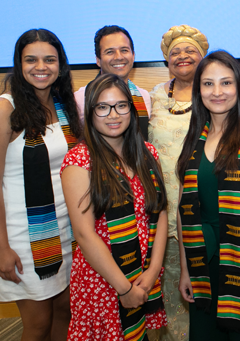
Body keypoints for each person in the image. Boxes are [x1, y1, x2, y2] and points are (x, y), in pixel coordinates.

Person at [0, 28, 81, 341]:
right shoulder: (4, 109)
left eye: (50, 59)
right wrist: (1, 247)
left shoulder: (64, 106)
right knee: (37, 324)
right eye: (31, 59)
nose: (41, 66)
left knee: (65, 312)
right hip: (25, 237)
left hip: (66, 231)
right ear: (19, 64)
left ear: (60, 65)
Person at [176, 51, 240, 340]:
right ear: (199, 91)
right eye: (208, 84)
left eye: (226, 83)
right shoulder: (194, 138)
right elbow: (183, 210)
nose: (217, 92)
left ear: (239, 88)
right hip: (203, 262)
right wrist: (186, 268)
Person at [61, 73, 168, 340]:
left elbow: (161, 211)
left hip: (143, 274)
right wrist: (124, 288)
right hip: (103, 281)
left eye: (121, 105)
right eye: (102, 107)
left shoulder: (147, 153)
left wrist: (153, 270)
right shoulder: (80, 161)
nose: (113, 114)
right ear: (90, 112)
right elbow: (85, 235)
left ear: (131, 110)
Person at [149, 24, 209, 341]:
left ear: (203, 57)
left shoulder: (214, 92)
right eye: (175, 52)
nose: (182, 56)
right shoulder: (156, 96)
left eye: (190, 51)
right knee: (169, 284)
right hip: (162, 206)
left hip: (202, 204)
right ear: (166, 60)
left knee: (202, 281)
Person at [74, 25, 152, 138]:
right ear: (98, 60)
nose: (119, 57)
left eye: (124, 50)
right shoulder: (80, 99)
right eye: (110, 52)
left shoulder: (144, 96)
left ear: (133, 55)